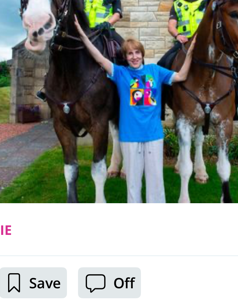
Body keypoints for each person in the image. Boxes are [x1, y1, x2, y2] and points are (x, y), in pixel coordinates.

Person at [74, 17, 196, 203]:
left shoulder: (155, 71)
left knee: (156, 181)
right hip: (130, 136)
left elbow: (181, 75)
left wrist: (190, 53)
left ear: (142, 54)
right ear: (126, 57)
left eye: (137, 53)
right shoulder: (120, 73)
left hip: (153, 135)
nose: (134, 57)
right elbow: (99, 58)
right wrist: (82, 35)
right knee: (132, 182)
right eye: (130, 54)